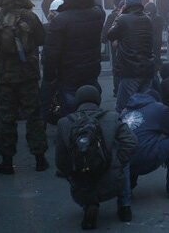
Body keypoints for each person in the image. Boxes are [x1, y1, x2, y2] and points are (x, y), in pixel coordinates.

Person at [0, 0, 48, 174]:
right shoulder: (30, 17)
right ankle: (40, 158)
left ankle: (7, 161)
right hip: (28, 75)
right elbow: (42, 39)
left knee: (5, 118)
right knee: (34, 116)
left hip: (2, 78)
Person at [55, 85, 137, 229]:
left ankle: (89, 204)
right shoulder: (112, 117)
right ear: (98, 100)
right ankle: (125, 207)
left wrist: (72, 174)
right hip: (112, 182)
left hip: (81, 186)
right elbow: (131, 142)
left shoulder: (64, 123)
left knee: (74, 164)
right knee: (125, 163)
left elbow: (60, 161)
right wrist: (118, 161)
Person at [42, 0, 105, 118]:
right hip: (91, 70)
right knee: (90, 104)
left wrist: (49, 77)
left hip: (69, 73)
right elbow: (98, 7)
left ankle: (72, 132)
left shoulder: (60, 20)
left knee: (70, 108)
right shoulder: (98, 15)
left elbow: (51, 53)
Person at [121, 89, 169, 199]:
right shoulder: (158, 108)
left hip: (124, 162)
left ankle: (127, 187)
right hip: (145, 158)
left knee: (135, 143)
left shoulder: (124, 112)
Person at [107, 0, 155, 112]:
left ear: (126, 6)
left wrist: (119, 14)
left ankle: (126, 129)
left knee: (122, 107)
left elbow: (110, 34)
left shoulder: (123, 19)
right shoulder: (148, 19)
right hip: (147, 68)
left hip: (130, 69)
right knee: (144, 104)